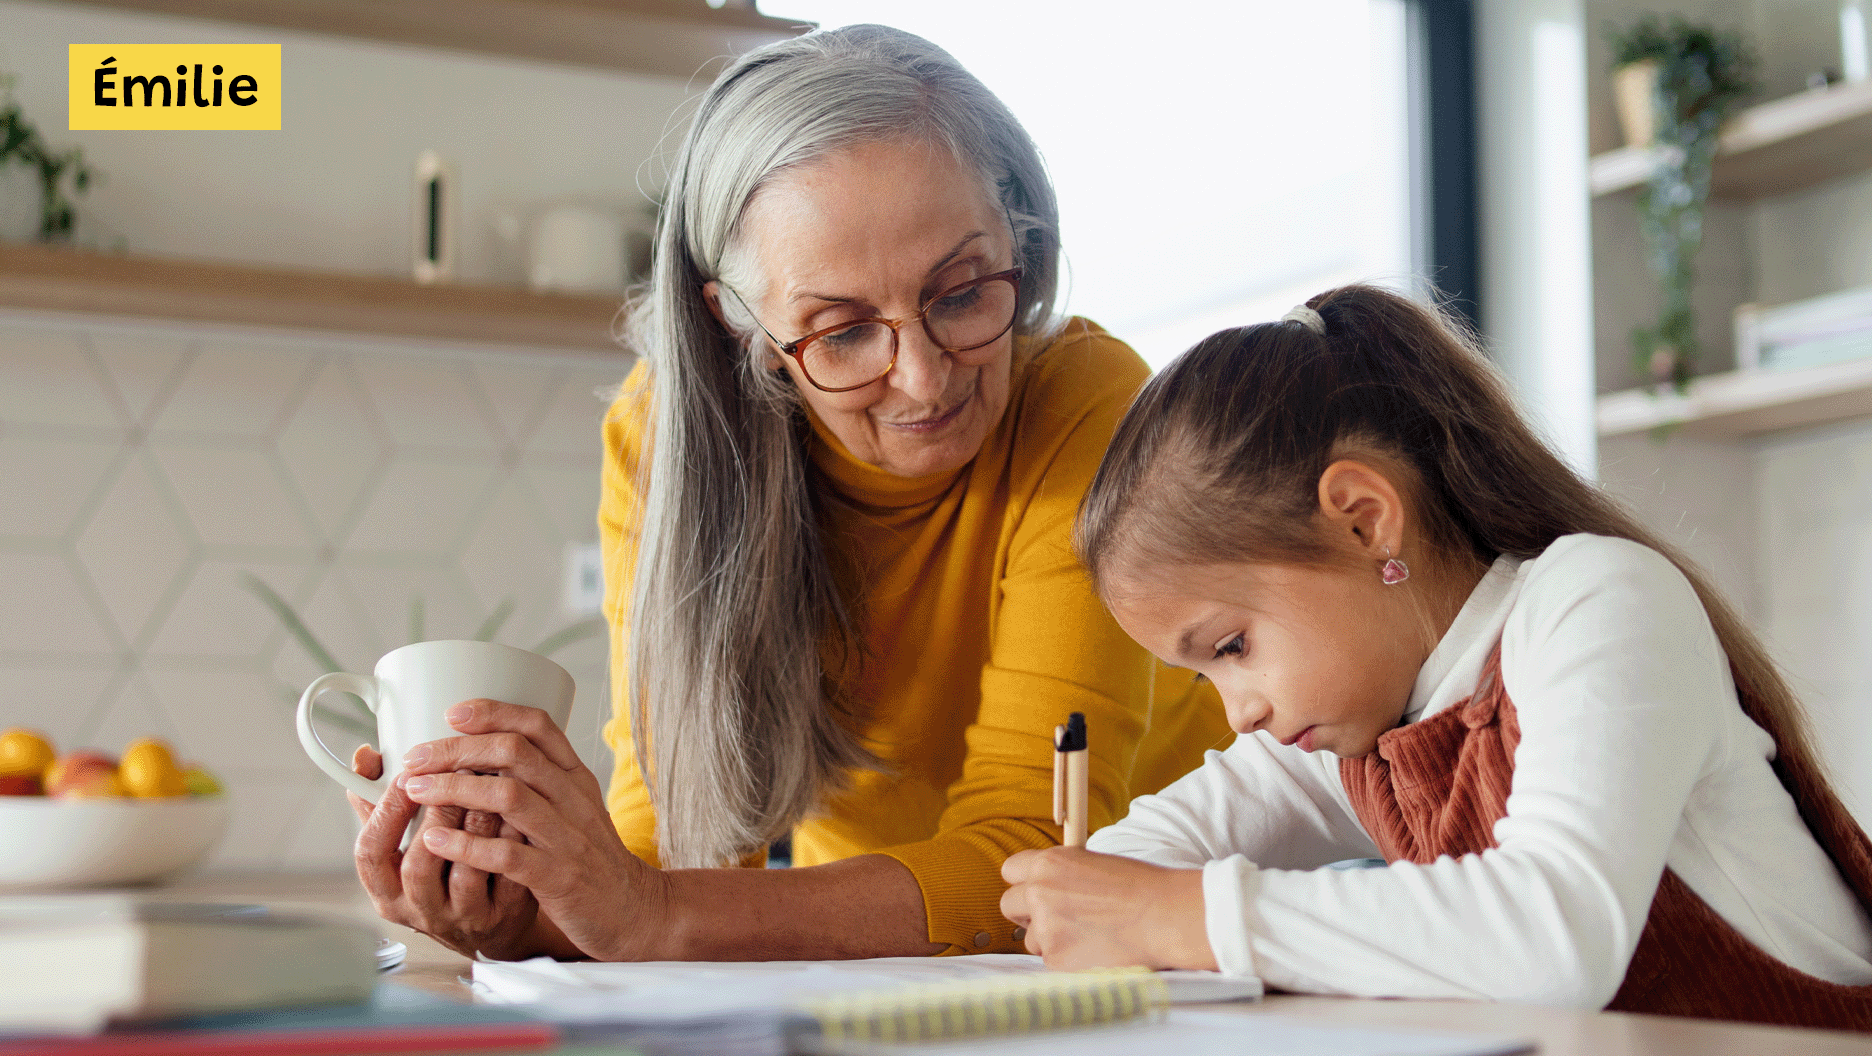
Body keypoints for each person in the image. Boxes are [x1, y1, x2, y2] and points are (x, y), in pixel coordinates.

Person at [345, 24, 1231, 962]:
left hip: (1170, 931)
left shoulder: (1084, 401)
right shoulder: (666, 439)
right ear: (737, 320)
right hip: (879, 957)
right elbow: (672, 846)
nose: (926, 378)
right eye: (843, 332)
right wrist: (519, 912)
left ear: (1022, 231)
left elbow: (1036, 848)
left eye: (964, 292)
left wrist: (647, 909)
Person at [999, 284, 1872, 1029]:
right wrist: (1079, 897)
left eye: (1232, 646)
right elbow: (1139, 859)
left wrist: (1180, 917)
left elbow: (1551, 933)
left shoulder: (1596, 600)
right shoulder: (1363, 733)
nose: (1239, 711)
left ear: (1362, 518)